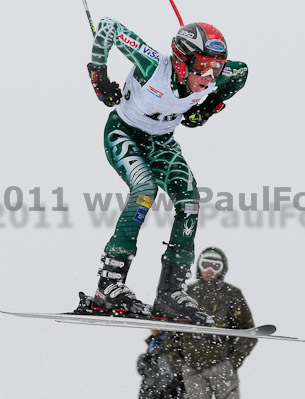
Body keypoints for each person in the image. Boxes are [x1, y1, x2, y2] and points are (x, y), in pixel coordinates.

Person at [87, 18, 248, 325]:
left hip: (161, 143)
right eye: (201, 67)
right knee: (145, 191)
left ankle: (170, 293)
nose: (208, 76)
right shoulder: (153, 66)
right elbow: (108, 27)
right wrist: (99, 76)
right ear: (180, 60)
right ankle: (109, 285)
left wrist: (208, 107)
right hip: (124, 134)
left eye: (215, 68)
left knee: (189, 200)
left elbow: (241, 73)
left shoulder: (216, 77)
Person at [166, 247, 257, 398]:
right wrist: (180, 363)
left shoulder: (232, 294)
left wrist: (232, 361)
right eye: (205, 265)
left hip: (221, 366)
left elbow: (249, 332)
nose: (209, 270)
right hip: (192, 367)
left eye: (215, 266)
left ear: (222, 269)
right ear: (199, 266)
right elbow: (172, 331)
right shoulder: (186, 293)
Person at [137, 330, 186, 399]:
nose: (152, 330)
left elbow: (167, 371)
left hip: (160, 388)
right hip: (151, 386)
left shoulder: (166, 341)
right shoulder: (153, 341)